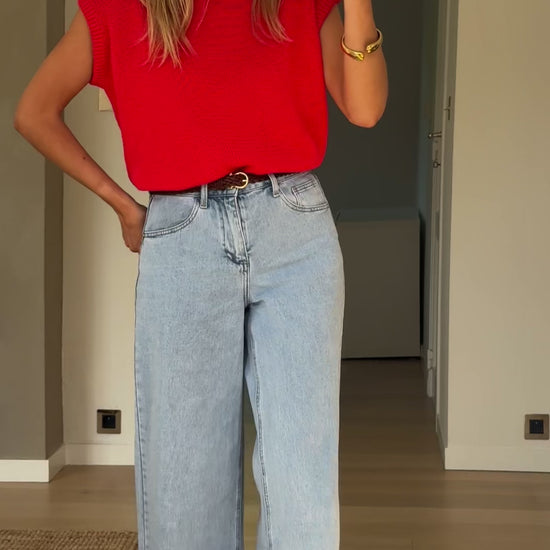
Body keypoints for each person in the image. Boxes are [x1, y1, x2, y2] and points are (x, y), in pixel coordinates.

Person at [13, 0, 387, 547]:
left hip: (295, 229)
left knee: (303, 481)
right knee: (183, 484)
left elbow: (367, 109)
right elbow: (34, 112)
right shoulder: (120, 8)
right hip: (183, 235)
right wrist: (122, 205)